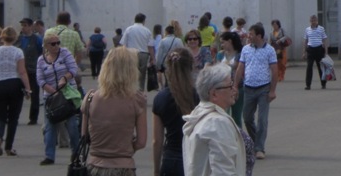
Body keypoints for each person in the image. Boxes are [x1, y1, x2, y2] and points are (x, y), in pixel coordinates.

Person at [84, 47, 147, 176]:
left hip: (95, 164)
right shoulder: (137, 99)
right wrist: (126, 148)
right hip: (123, 166)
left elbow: (84, 135)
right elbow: (141, 142)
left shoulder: (90, 97)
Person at [183, 63, 246, 176]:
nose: (234, 90)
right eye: (229, 86)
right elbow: (223, 172)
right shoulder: (217, 123)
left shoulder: (200, 113)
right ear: (214, 94)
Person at [36, 30, 81, 165]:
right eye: (53, 44)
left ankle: (76, 153)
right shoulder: (41, 60)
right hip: (51, 97)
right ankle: (49, 156)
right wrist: (52, 91)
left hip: (67, 95)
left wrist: (64, 78)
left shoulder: (65, 53)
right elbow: (40, 79)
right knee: (50, 126)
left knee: (72, 125)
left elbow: (73, 69)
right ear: (46, 46)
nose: (56, 46)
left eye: (58, 43)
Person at [233, 22, 277, 159]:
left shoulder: (269, 50)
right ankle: (255, 141)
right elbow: (240, 68)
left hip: (264, 88)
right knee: (247, 117)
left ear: (259, 35)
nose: (248, 36)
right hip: (248, 88)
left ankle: (259, 148)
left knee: (262, 120)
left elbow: (274, 71)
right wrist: (235, 85)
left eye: (251, 34)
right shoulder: (246, 49)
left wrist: (272, 90)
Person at [154, 48, 198, 176]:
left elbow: (157, 140)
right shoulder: (199, 96)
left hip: (171, 158)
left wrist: (156, 170)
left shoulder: (161, 98)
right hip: (194, 158)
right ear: (191, 68)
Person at [0, 25, 31, 156]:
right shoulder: (18, 52)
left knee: (0, 115)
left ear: (2, 37)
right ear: (15, 38)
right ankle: (9, 147)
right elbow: (22, 72)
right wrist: (28, 89)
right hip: (14, 84)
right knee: (13, 118)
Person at [215, 32, 244, 126]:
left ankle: (239, 137)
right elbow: (217, 67)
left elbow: (236, 66)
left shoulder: (240, 54)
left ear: (230, 41)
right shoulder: (220, 54)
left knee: (236, 116)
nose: (222, 45)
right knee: (224, 114)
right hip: (223, 87)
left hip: (237, 86)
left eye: (223, 42)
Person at [18, 17, 43, 125]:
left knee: (34, 93)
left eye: (25, 25)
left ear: (30, 27)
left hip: (33, 70)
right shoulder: (19, 38)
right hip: (20, 70)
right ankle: (15, 115)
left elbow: (41, 52)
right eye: (22, 25)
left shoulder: (36, 39)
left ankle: (33, 117)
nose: (23, 28)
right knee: (17, 94)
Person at [121, 12, 155, 91]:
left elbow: (123, 44)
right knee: (141, 74)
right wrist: (152, 58)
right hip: (144, 54)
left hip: (130, 53)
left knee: (130, 73)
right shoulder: (147, 31)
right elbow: (150, 46)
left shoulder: (129, 29)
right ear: (143, 21)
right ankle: (140, 91)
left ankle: (130, 90)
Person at [302, 15, 329, 90]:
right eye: (312, 21)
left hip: (319, 49)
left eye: (314, 20)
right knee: (309, 67)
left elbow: (325, 39)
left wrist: (326, 52)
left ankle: (323, 83)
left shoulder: (321, 29)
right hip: (310, 49)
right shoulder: (307, 29)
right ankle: (308, 85)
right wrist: (304, 52)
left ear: (317, 21)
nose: (313, 22)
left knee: (320, 67)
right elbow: (305, 40)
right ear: (310, 21)